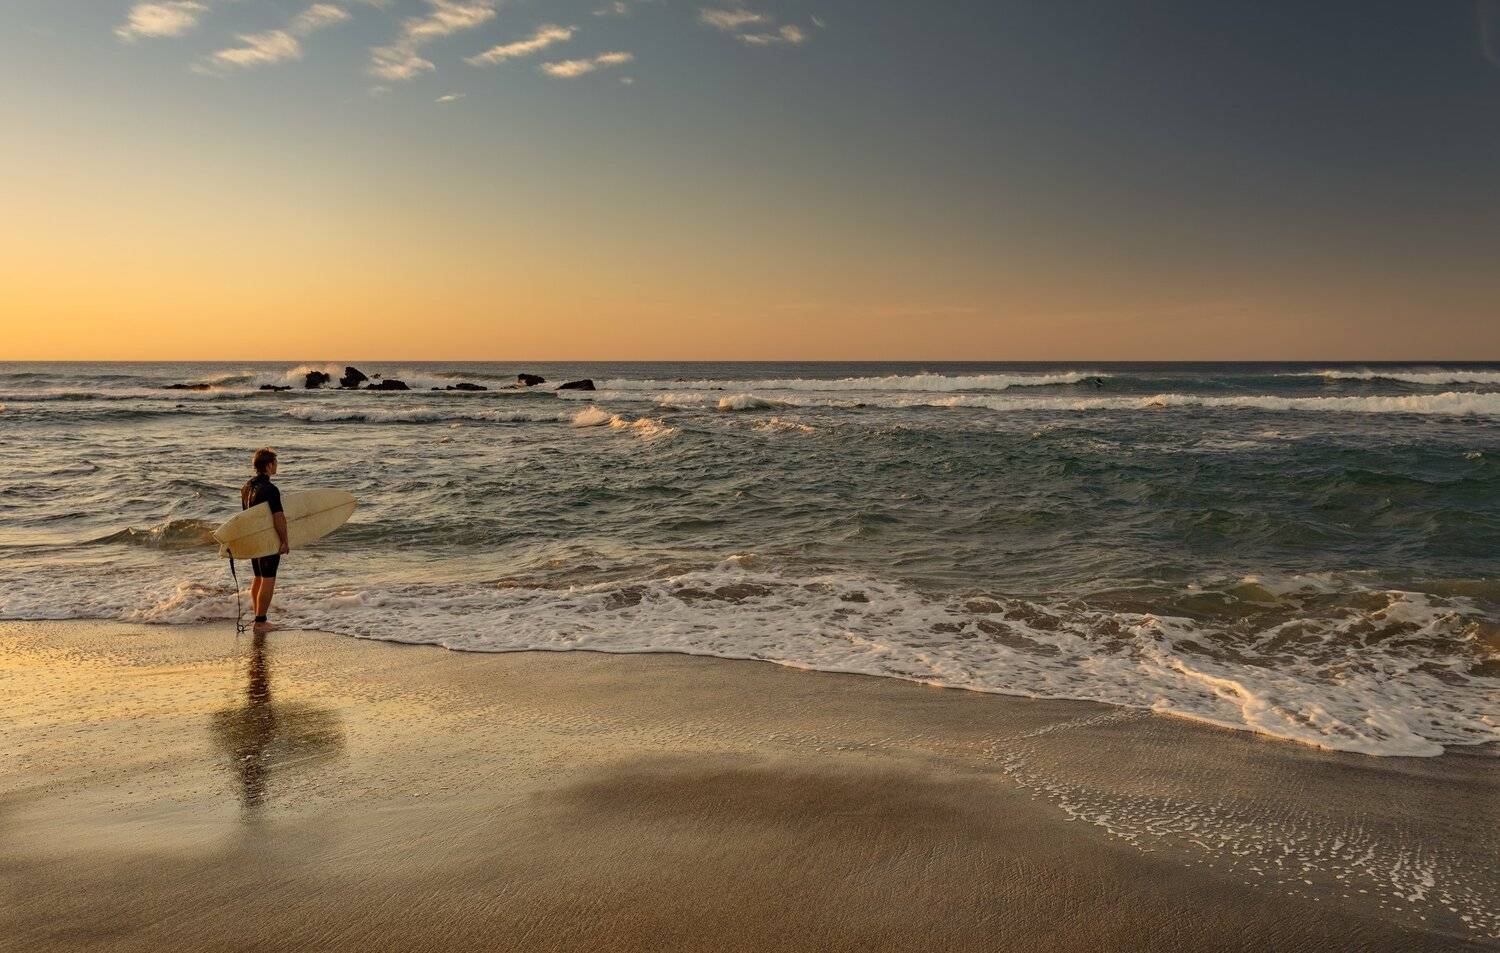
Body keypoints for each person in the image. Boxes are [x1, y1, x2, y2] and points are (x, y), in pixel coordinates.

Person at [241, 448, 290, 634]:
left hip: (254, 538)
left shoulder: (246, 487)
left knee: (259, 577)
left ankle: (258, 618)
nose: (276, 466)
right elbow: (278, 517)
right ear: (269, 465)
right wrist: (284, 540)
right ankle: (260, 622)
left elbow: (245, 517)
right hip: (268, 540)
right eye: (275, 463)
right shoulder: (270, 489)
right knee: (268, 579)